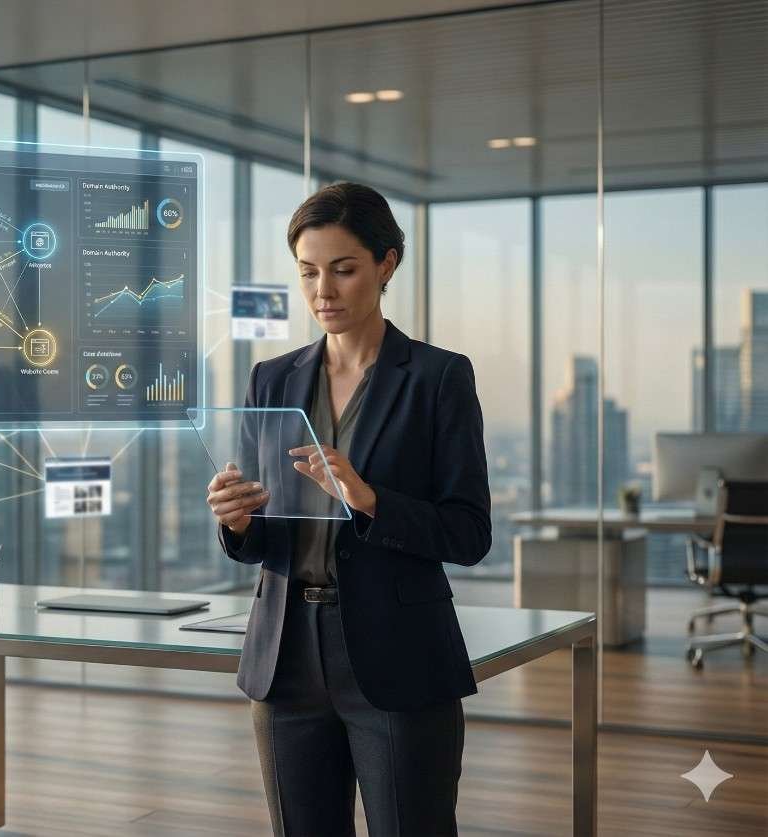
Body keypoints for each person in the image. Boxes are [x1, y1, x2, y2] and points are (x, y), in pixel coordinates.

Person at [205, 182, 491, 836]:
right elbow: (267, 535)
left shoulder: (438, 378)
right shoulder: (271, 379)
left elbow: (470, 531)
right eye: (308, 272)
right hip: (286, 660)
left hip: (397, 656)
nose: (323, 291)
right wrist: (238, 521)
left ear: (387, 264)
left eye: (344, 269)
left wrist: (369, 499)